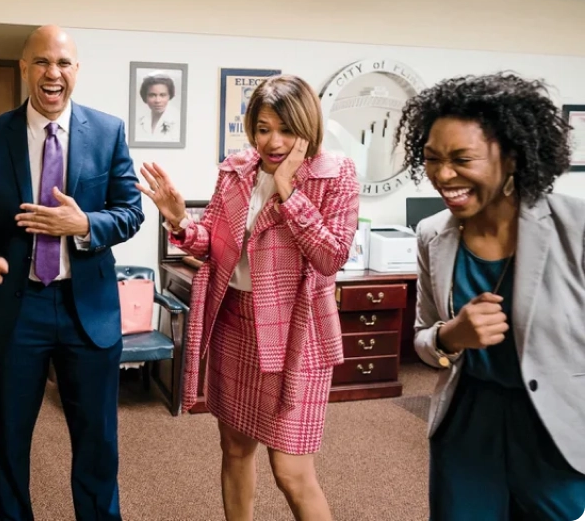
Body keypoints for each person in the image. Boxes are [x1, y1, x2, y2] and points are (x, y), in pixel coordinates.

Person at [138, 74, 359, 521]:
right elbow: (213, 244)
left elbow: (331, 257)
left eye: (285, 129)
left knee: (291, 470)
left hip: (298, 334)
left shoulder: (335, 175)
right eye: (262, 128)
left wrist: (288, 190)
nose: (272, 141)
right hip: (235, 324)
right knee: (234, 447)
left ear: (308, 128)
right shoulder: (236, 169)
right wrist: (181, 222)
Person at [0, 25, 144, 521]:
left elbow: (130, 212)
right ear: (24, 68)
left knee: (98, 441)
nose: (51, 72)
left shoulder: (107, 132)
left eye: (62, 63)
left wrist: (83, 224)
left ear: (76, 71)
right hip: (18, 307)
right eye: (40, 62)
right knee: (10, 439)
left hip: (89, 312)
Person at [394, 73, 585, 520]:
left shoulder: (575, 230)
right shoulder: (431, 235)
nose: (443, 175)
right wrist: (451, 337)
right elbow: (424, 340)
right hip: (468, 423)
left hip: (558, 427)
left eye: (462, 159)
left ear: (513, 157)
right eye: (432, 158)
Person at [134, 73, 180, 142]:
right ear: (145, 97)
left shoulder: (178, 121)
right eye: (152, 95)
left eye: (162, 95)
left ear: (169, 96)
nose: (157, 100)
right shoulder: (140, 121)